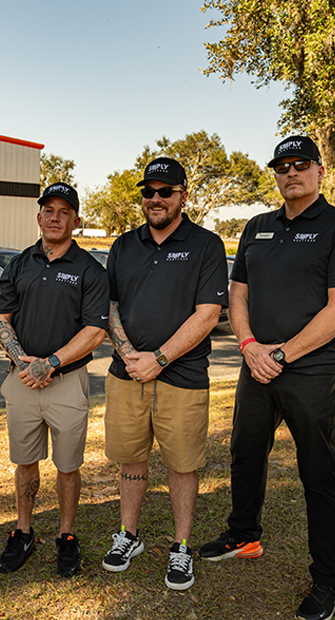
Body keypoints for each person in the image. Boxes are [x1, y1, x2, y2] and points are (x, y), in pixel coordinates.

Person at [198, 135, 335, 620]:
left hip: (312, 370)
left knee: (318, 471)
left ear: (319, 171)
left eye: (300, 164)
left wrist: (281, 354)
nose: (291, 173)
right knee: (245, 452)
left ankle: (328, 579)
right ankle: (243, 535)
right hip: (257, 364)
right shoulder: (257, 227)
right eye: (282, 166)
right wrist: (250, 347)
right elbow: (238, 296)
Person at [101, 157, 229, 591]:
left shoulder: (206, 245)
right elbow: (110, 306)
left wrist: (157, 359)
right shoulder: (124, 245)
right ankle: (128, 535)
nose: (156, 199)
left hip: (182, 376)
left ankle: (181, 546)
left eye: (165, 191)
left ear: (183, 196)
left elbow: (207, 314)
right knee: (131, 458)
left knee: (182, 465)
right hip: (127, 375)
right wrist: (129, 354)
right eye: (149, 192)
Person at [0, 182, 109, 577]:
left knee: (67, 465)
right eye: (49, 210)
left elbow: (95, 331)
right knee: (25, 461)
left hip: (67, 383)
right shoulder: (19, 264)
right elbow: (0, 318)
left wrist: (52, 364)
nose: (55, 217)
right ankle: (23, 532)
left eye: (64, 212)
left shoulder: (90, 269)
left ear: (75, 220)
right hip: (22, 379)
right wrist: (22, 361)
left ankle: (66, 534)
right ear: (39, 216)